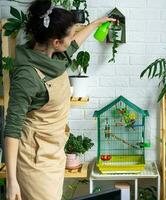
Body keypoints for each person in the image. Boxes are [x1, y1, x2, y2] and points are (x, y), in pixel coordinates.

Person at [3, 1, 115, 199]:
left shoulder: (53, 57)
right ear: (56, 42)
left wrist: (96, 24)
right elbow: (12, 129)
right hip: (34, 162)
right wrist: (12, 181)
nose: (72, 40)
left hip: (53, 152)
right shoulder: (28, 76)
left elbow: (73, 46)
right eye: (69, 35)